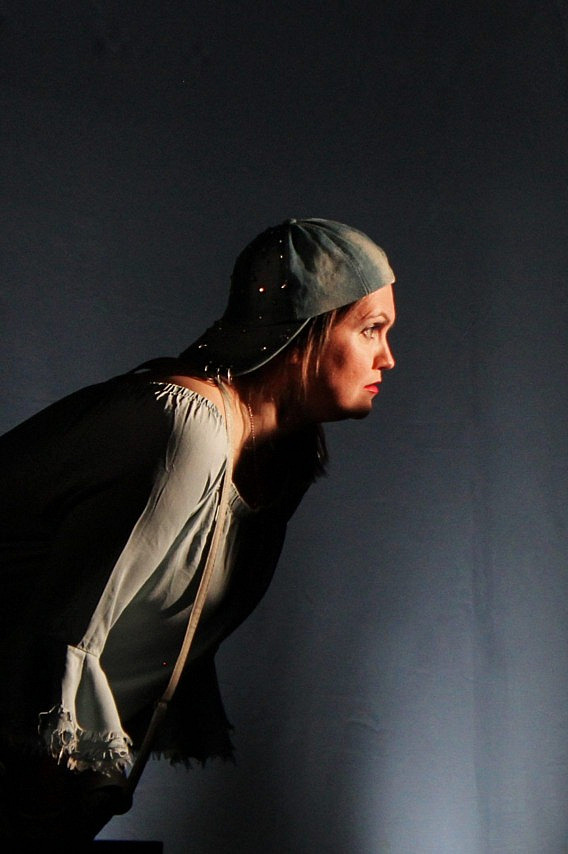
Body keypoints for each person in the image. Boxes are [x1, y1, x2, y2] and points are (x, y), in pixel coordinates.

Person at [0, 218, 398, 846]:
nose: (387, 357)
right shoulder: (186, 429)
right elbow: (61, 635)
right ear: (303, 332)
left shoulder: (278, 465)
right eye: (370, 329)